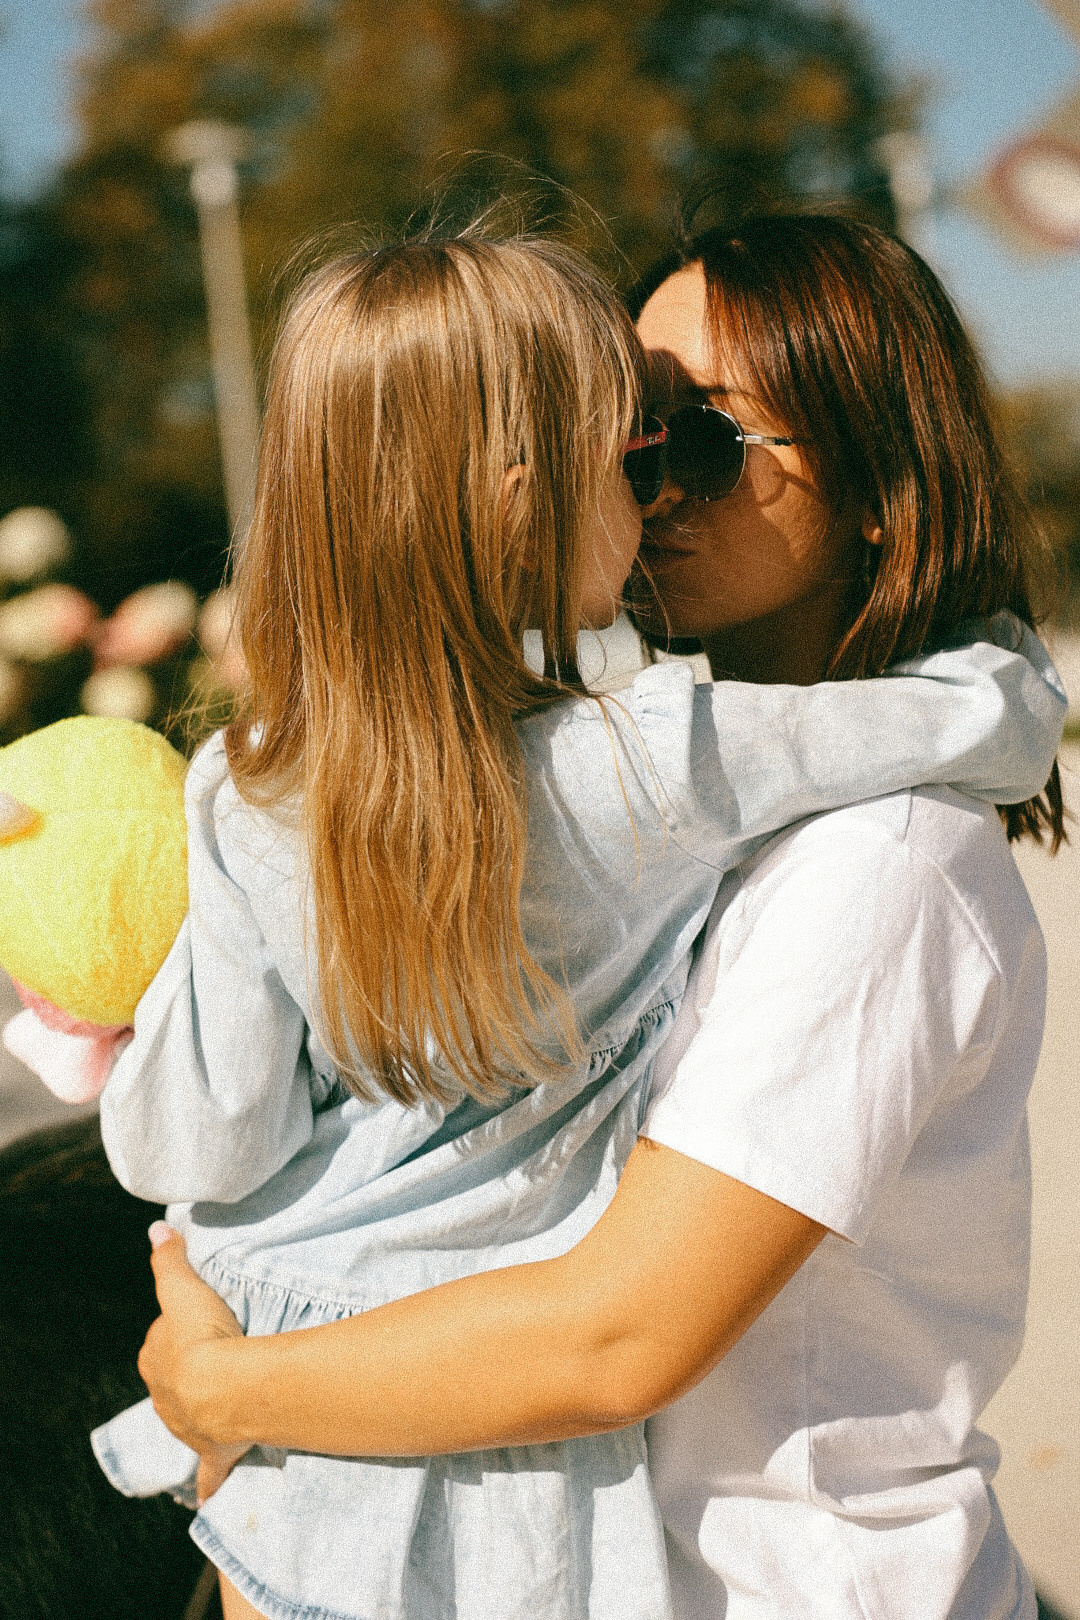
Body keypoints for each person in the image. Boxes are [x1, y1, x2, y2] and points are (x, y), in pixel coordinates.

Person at [98, 220, 1062, 1620]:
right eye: (629, 438)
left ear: (879, 487)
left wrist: (219, 1383)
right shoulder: (638, 783)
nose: (654, 490)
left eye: (699, 444)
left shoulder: (883, 861)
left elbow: (615, 1335)